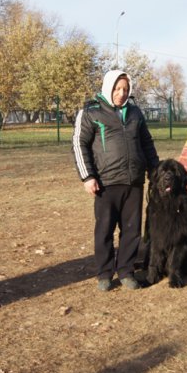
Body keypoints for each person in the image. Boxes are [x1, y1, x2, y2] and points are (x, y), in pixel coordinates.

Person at [72, 70, 159, 291]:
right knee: (104, 230)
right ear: (108, 87)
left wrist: (154, 170)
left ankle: (127, 271)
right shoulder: (91, 112)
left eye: (126, 89)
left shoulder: (135, 113)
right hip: (106, 182)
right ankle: (104, 273)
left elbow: (147, 143)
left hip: (134, 181)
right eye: (117, 89)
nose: (121, 93)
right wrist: (88, 177)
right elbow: (79, 144)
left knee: (132, 230)